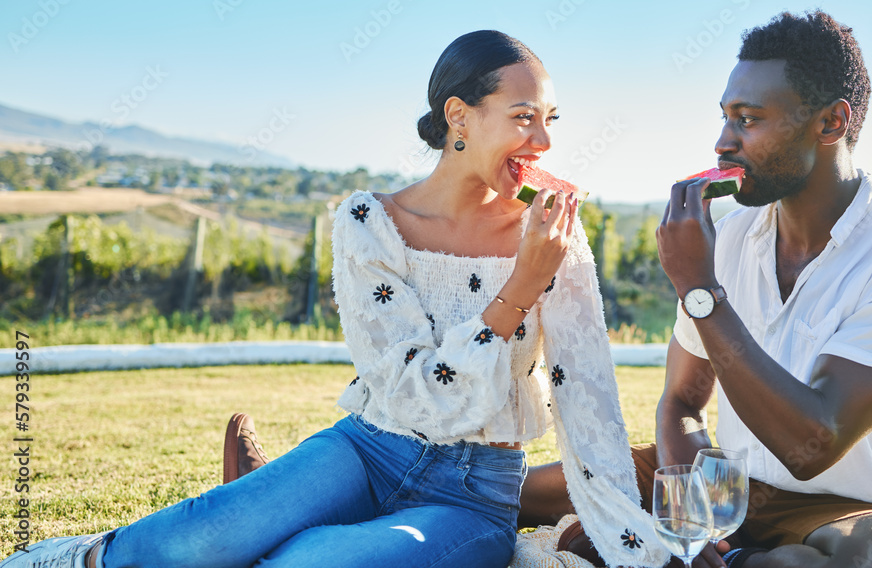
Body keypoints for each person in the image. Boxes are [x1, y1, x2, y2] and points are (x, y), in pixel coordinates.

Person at [1, 30, 668, 568]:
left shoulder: (551, 236)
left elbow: (586, 396)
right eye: (524, 118)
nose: (545, 143)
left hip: (477, 492)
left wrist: (634, 537)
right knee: (194, 543)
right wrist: (518, 291)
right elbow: (410, 392)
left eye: (549, 121)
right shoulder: (368, 222)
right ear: (459, 117)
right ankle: (76, 560)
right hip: (368, 448)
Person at [519, 11, 872, 568]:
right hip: (726, 482)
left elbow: (815, 442)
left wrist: (699, 288)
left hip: (847, 510)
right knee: (510, 494)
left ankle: (681, 553)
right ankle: (691, 547)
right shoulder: (727, 237)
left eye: (747, 120)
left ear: (830, 123)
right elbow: (682, 401)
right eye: (726, 118)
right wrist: (693, 512)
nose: (723, 143)